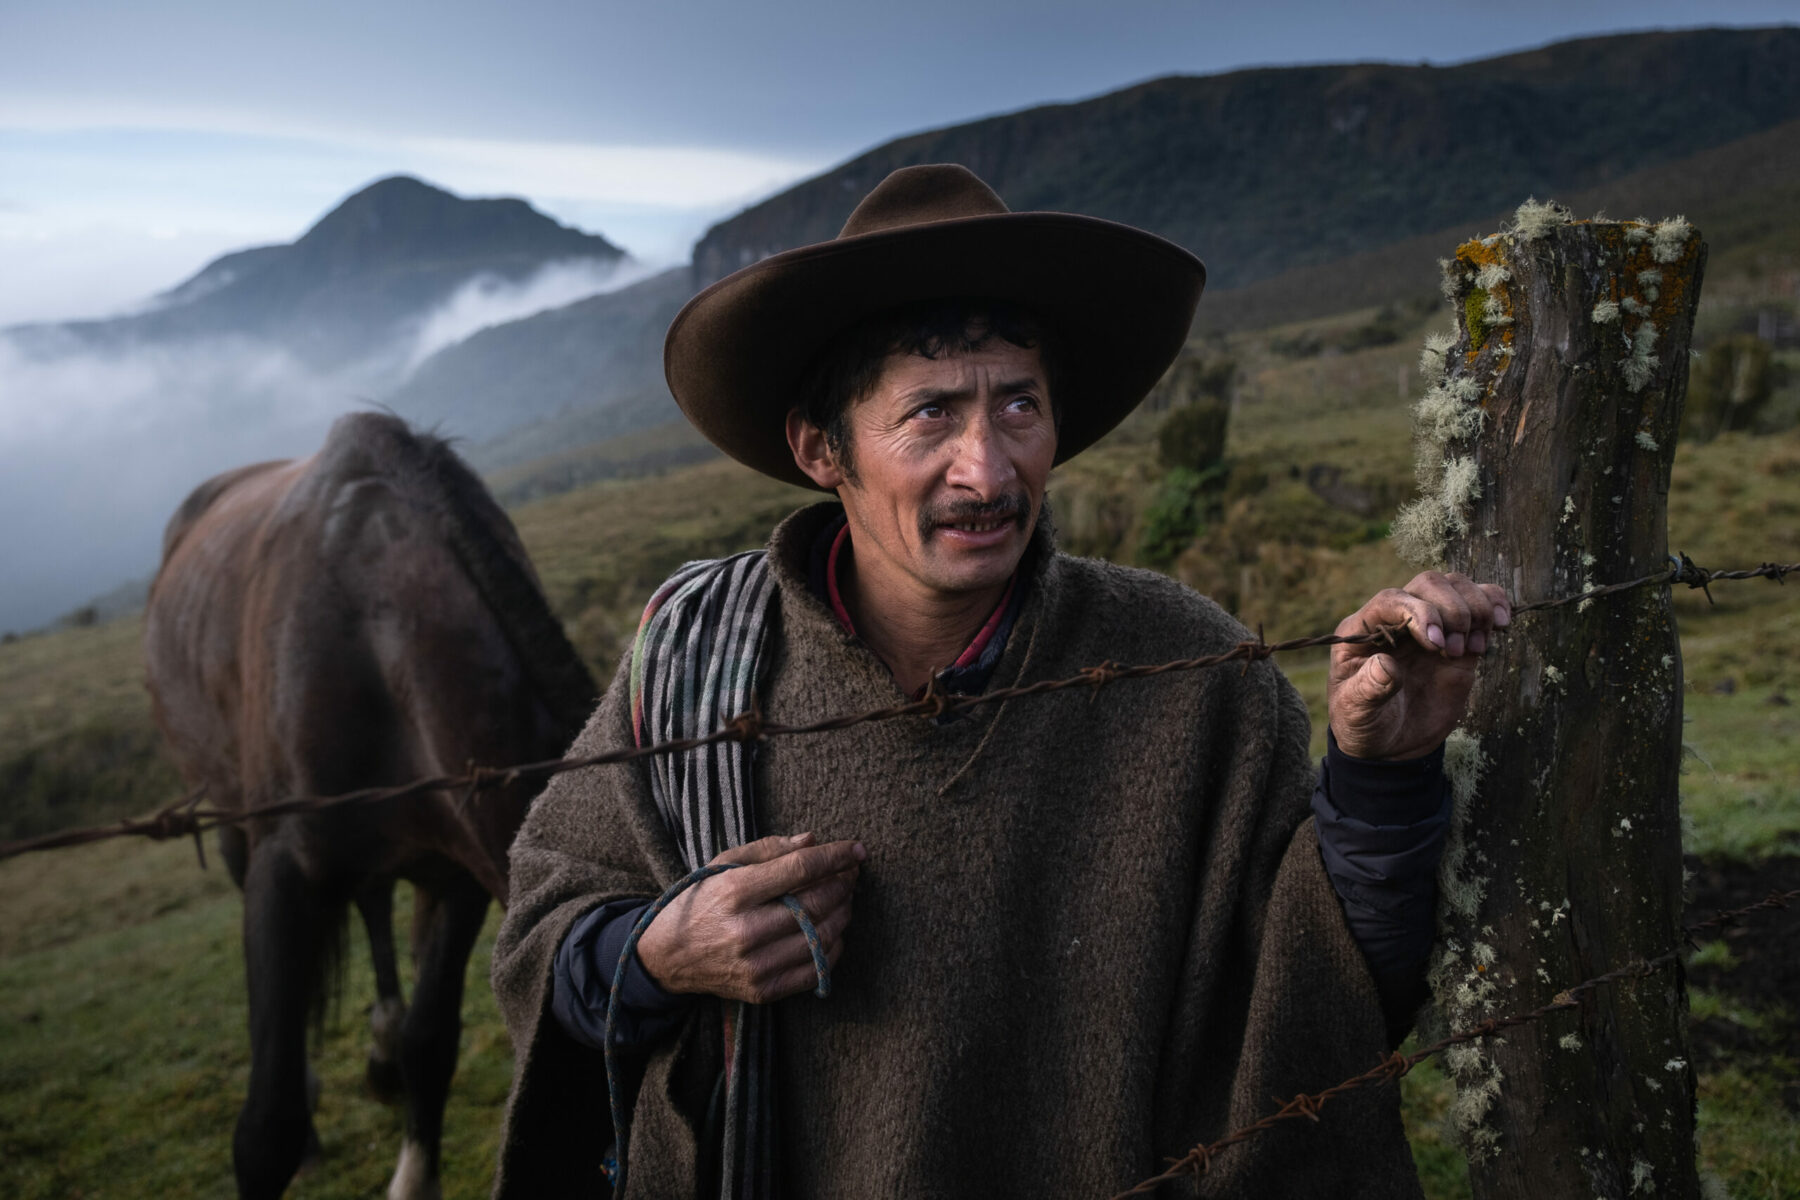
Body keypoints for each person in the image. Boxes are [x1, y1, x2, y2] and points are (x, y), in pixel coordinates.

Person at [490, 164, 1508, 1199]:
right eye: (929, 413)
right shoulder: (694, 662)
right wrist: (662, 950)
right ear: (819, 448)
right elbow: (544, 943)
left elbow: (1324, 1004)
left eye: (1018, 405)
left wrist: (1382, 775)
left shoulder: (1190, 672)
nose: (988, 469)